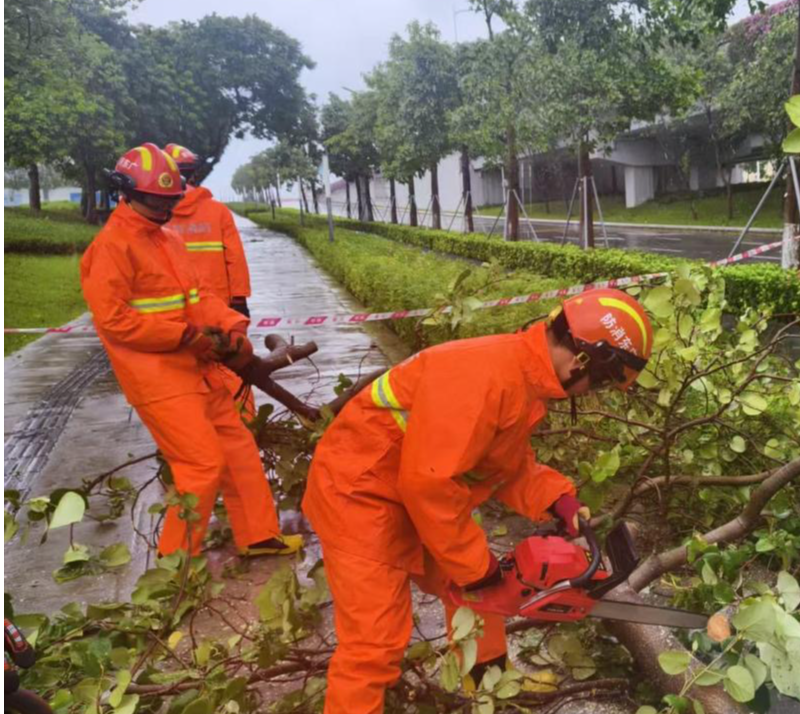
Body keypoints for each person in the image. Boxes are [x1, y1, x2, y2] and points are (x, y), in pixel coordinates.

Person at [303, 288, 655, 714]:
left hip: (407, 490)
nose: (591, 391)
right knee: (374, 644)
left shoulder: (520, 376)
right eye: (599, 381)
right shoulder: (484, 376)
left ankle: (489, 685)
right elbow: (429, 483)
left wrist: (555, 499)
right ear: (582, 359)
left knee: (484, 594)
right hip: (358, 493)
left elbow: (502, 465)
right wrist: (475, 567)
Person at [80, 143, 301, 558]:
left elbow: (199, 298)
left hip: (197, 368)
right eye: (156, 201)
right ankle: (174, 568)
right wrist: (183, 336)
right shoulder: (111, 247)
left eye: (170, 200)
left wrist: (233, 328)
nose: (165, 208)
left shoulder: (167, 239)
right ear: (128, 193)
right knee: (201, 465)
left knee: (238, 448)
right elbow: (114, 321)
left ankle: (258, 536)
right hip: (156, 379)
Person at [162, 143, 255, 412]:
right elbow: (235, 258)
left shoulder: (157, 216)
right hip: (219, 308)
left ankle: (196, 419)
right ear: (194, 173)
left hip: (174, 310)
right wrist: (239, 300)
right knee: (231, 368)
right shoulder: (217, 212)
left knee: (182, 373)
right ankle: (243, 418)